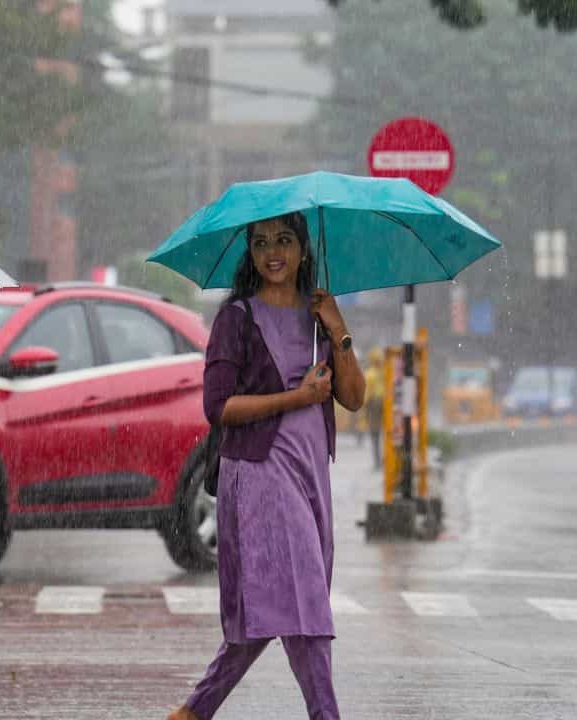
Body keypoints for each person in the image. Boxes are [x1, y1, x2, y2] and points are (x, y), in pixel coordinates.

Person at [169, 212, 366, 720]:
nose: (272, 251)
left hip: (309, 476)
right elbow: (220, 408)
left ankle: (194, 712)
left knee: (271, 610)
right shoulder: (237, 317)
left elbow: (354, 397)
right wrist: (295, 396)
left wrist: (338, 327)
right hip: (258, 473)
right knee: (305, 609)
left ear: (303, 248)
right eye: (260, 243)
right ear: (250, 255)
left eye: (283, 240)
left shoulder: (319, 317)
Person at [363, 347, 386, 469]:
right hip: (385, 403)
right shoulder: (385, 373)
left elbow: (367, 393)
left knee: (375, 434)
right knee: (384, 434)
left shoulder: (370, 373)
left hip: (374, 404)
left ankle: (378, 461)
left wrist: (365, 408)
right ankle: (383, 460)